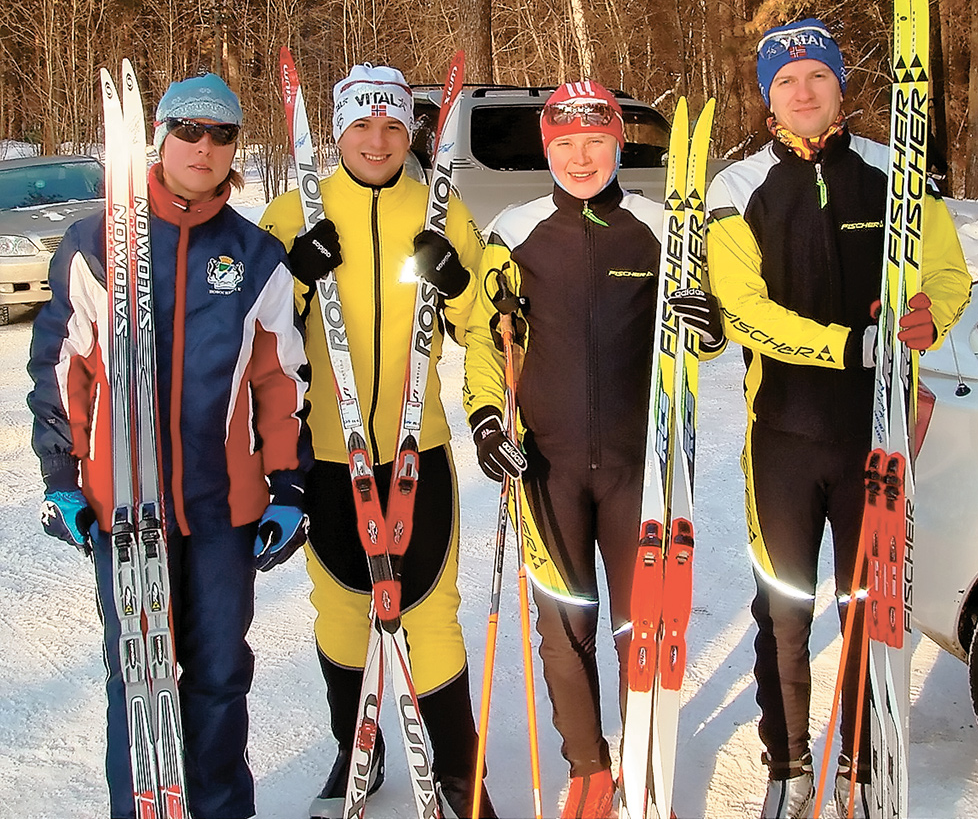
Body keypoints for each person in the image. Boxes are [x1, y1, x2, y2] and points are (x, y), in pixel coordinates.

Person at [704, 18, 972, 819]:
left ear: (840, 85)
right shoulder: (735, 189)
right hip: (781, 433)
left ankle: (856, 756)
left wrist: (931, 317)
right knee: (783, 608)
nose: (804, 91)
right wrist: (849, 345)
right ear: (767, 100)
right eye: (786, 82)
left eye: (817, 76)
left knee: (864, 602)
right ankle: (787, 766)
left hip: (875, 434)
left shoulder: (895, 174)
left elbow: (947, 275)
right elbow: (743, 312)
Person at [27, 73, 311, 819]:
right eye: (190, 130)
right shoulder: (98, 242)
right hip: (126, 506)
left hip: (224, 508)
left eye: (222, 135)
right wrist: (62, 472)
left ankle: (220, 809)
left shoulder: (256, 257)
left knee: (219, 676)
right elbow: (63, 370)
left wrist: (288, 486)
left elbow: (281, 381)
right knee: (140, 675)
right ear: (159, 138)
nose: (205, 146)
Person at [462, 80, 724, 819]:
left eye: (596, 143)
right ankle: (589, 768)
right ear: (549, 148)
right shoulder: (512, 230)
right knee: (563, 621)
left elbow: (693, 341)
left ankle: (643, 756)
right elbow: (488, 341)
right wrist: (487, 421)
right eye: (566, 144)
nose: (582, 158)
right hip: (546, 464)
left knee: (643, 622)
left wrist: (709, 328)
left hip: (639, 463)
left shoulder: (657, 226)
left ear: (617, 145)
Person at [261, 63, 495, 819]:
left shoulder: (438, 207)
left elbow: (485, 325)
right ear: (336, 131)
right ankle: (354, 749)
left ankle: (459, 773)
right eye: (362, 124)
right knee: (339, 609)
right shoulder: (295, 207)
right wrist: (296, 277)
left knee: (430, 609)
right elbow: (256, 340)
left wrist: (459, 282)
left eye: (393, 125)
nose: (377, 139)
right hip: (327, 451)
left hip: (415, 446)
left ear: (410, 132)